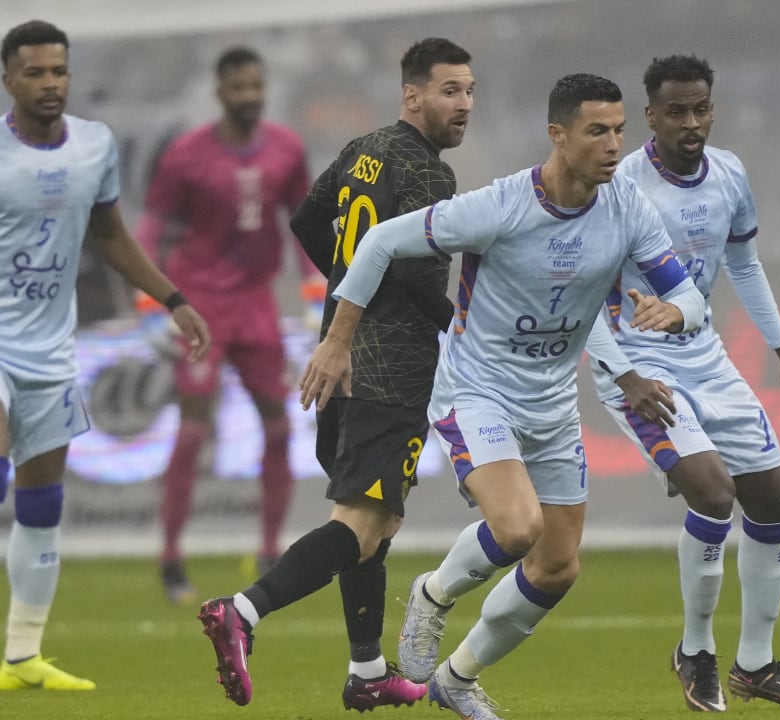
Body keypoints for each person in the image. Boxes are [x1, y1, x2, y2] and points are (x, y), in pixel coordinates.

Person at [298, 73, 706, 720]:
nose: (613, 144)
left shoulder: (626, 207)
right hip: (476, 391)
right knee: (517, 529)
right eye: (597, 130)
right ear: (558, 135)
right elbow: (378, 242)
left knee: (557, 568)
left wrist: (671, 313)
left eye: (620, 130)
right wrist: (338, 340)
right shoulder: (499, 207)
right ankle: (432, 595)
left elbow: (687, 292)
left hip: (552, 404)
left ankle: (458, 678)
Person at [196, 38, 474, 711]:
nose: (464, 105)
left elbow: (307, 219)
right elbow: (410, 271)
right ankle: (243, 610)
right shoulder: (431, 176)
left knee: (372, 523)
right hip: (389, 370)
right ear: (412, 95)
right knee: (362, 523)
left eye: (469, 91)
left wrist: (349, 285)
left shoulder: (364, 150)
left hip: (337, 356)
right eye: (449, 91)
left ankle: (368, 670)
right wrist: (462, 328)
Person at [583, 55, 780, 712]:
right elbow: (581, 298)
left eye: (702, 109)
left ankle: (756, 664)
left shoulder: (730, 175)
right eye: (678, 112)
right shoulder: (620, 186)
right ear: (652, 116)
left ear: (711, 109)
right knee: (713, 493)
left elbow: (743, 264)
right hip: (637, 365)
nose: (692, 123)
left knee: (773, 499)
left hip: (706, 356)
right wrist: (627, 376)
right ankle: (695, 651)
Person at [0, 19, 210, 690]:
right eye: (34, 72)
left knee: (40, 502)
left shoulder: (94, 146)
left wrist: (171, 298)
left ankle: (22, 656)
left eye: (58, 70)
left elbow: (111, 232)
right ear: (8, 80)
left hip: (50, 351)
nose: (50, 82)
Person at [134, 46, 314, 603]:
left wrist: (315, 290)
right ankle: (170, 557)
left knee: (280, 426)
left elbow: (304, 225)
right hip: (202, 305)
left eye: (256, 86)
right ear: (219, 91)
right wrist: (150, 308)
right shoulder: (187, 156)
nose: (249, 97)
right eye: (239, 88)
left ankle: (269, 549)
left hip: (257, 304)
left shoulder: (287, 149)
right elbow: (150, 229)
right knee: (192, 429)